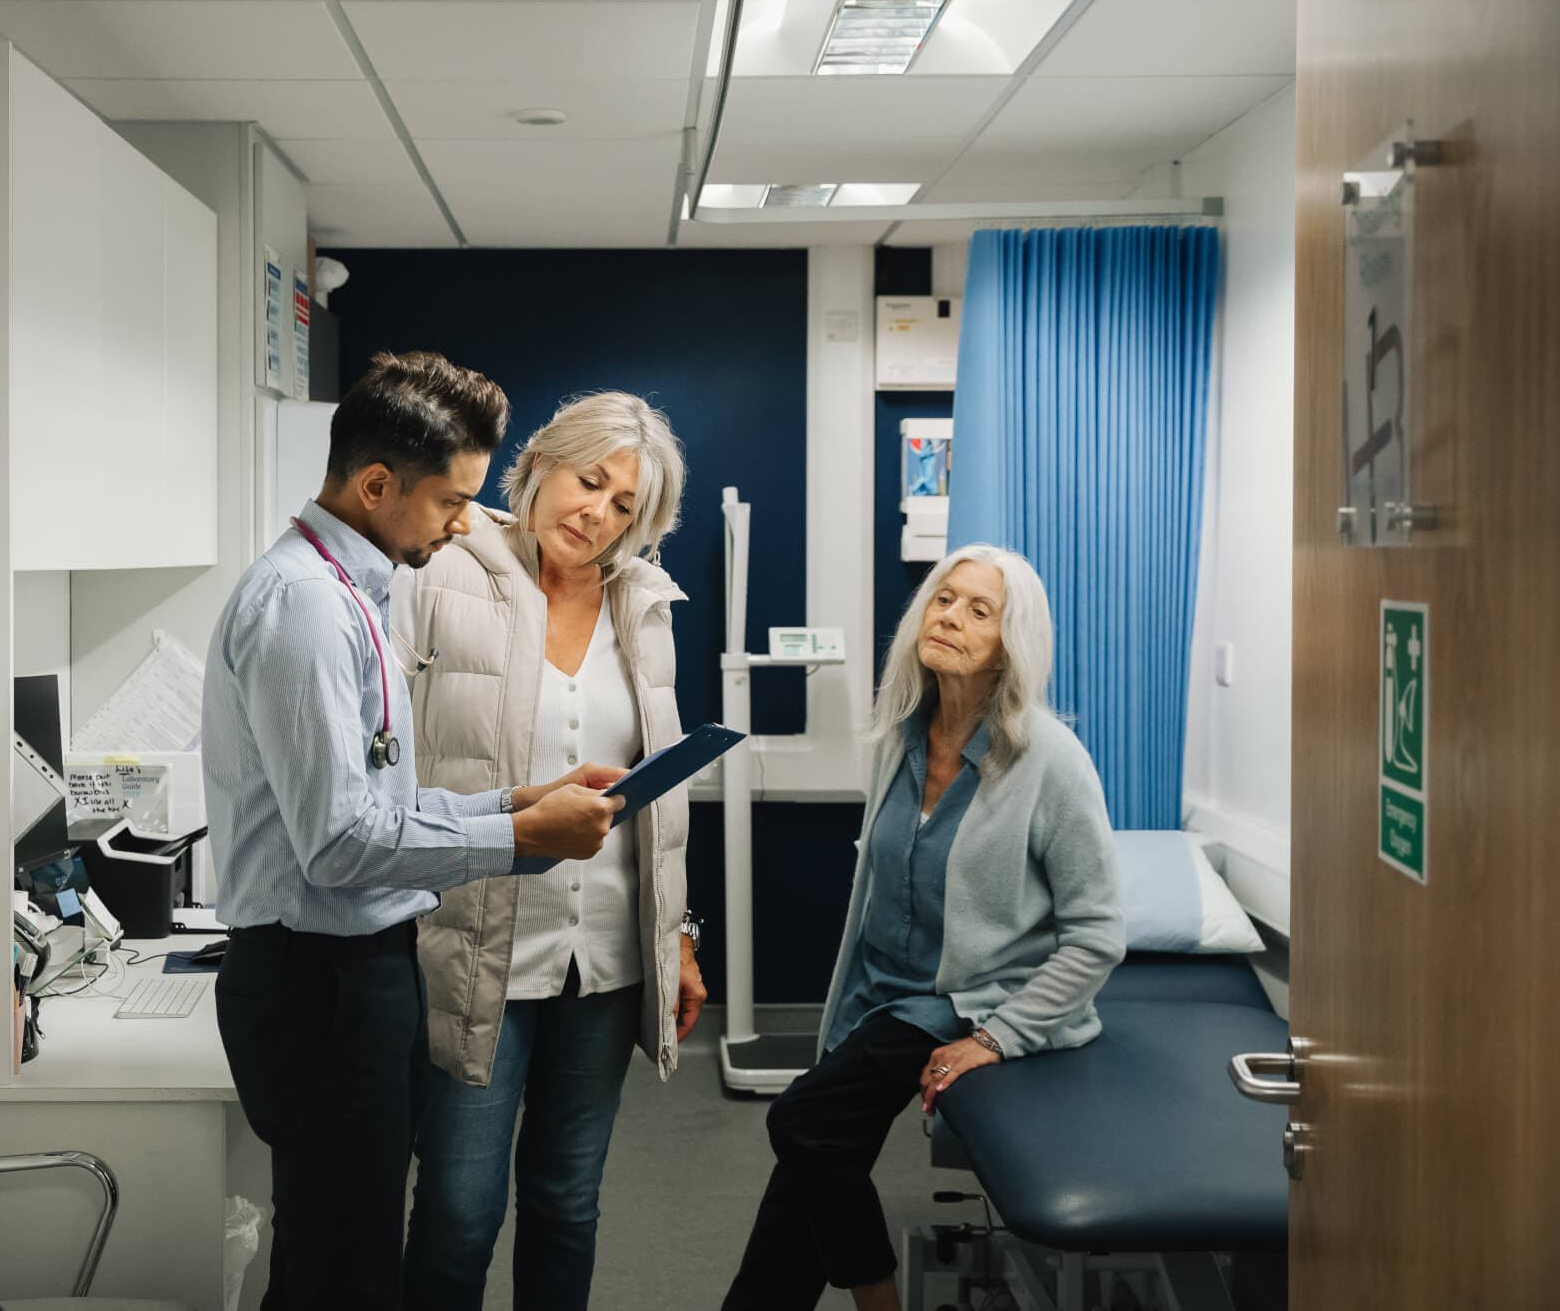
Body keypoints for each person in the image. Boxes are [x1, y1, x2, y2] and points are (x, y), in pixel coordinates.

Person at [202, 351, 627, 1311]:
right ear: (377, 483)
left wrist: (514, 805)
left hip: (358, 970)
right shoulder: (304, 607)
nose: (464, 522)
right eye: (449, 501)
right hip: (319, 983)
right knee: (336, 1269)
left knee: (345, 1257)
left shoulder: (355, 588)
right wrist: (523, 844)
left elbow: (384, 805)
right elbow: (341, 843)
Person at [721, 545, 1126, 1311]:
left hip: (962, 996)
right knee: (811, 1166)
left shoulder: (1051, 761)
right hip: (876, 985)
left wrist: (997, 1034)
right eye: (945, 599)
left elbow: (1098, 933)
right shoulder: (902, 731)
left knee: (802, 1118)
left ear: (1013, 642)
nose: (951, 616)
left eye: (980, 610)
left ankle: (878, 1297)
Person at [396, 392, 703, 1311]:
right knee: (459, 1211)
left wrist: (676, 935)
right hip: (473, 946)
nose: (596, 515)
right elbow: (391, 765)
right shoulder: (439, 572)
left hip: (600, 962)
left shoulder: (643, 605)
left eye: (625, 507)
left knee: (568, 1204)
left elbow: (658, 796)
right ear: (538, 465)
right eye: (590, 481)